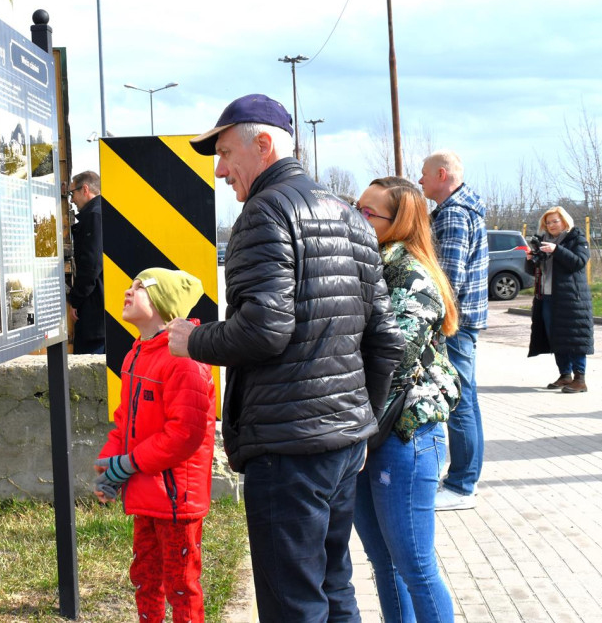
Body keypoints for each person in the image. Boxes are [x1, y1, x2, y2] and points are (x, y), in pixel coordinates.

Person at [167, 93, 404, 622]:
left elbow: (264, 332)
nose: (221, 170)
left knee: (292, 602)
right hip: (342, 445)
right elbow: (385, 339)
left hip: (289, 445)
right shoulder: (352, 217)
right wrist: (364, 424)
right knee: (333, 585)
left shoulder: (264, 211)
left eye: (226, 153)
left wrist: (192, 341)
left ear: (264, 144)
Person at [352, 176, 461, 622]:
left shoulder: (410, 275)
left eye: (367, 213)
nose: (355, 218)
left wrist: (351, 426)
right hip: (366, 432)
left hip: (404, 436)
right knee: (383, 564)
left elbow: (393, 360)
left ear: (399, 223)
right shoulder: (368, 266)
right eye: (355, 208)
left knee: (415, 566)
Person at [93, 267, 216, 623]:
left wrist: (126, 464)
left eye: (140, 287)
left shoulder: (184, 359)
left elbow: (184, 435)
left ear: (163, 304)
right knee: (145, 578)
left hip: (176, 498)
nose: (129, 292)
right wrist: (108, 463)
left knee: (180, 585)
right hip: (147, 492)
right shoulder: (136, 355)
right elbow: (124, 422)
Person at [418, 149, 488, 512]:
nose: (420, 180)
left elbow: (448, 279)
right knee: (467, 399)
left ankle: (461, 485)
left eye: (425, 174)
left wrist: (432, 321)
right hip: (464, 321)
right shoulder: (460, 210)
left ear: (442, 174)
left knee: (458, 400)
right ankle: (465, 478)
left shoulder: (455, 216)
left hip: (454, 323)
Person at [525, 206, 594, 392]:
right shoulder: (543, 241)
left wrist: (557, 250)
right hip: (547, 297)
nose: (551, 225)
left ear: (565, 221)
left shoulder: (576, 238)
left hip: (571, 298)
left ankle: (580, 379)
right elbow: (533, 271)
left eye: (555, 221)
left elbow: (579, 262)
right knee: (555, 337)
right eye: (548, 222)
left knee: (575, 337)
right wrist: (531, 259)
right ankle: (565, 375)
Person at [66, 171, 105, 354]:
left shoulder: (94, 216)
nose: (72, 200)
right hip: (100, 310)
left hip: (93, 312)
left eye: (72, 193)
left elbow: (91, 263)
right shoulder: (101, 212)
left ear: (85, 189)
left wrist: (76, 300)